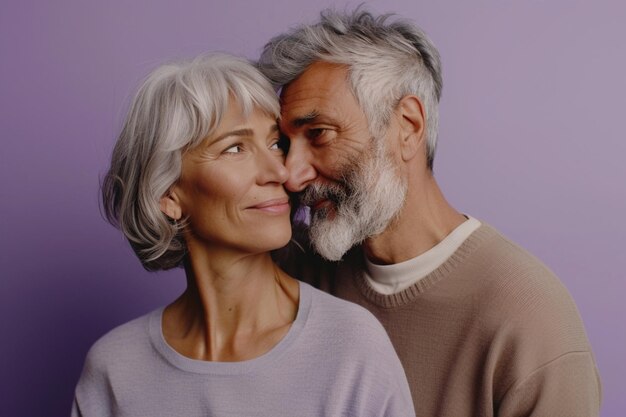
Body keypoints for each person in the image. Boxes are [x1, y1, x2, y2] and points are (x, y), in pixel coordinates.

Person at [259, 8, 602, 417]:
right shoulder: (295, 277)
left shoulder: (529, 314)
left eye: (319, 134)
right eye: (285, 143)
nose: (292, 176)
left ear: (407, 126)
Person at [71, 53, 415, 417]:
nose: (279, 171)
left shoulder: (350, 345)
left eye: (274, 144)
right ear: (168, 195)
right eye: (235, 148)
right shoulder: (115, 368)